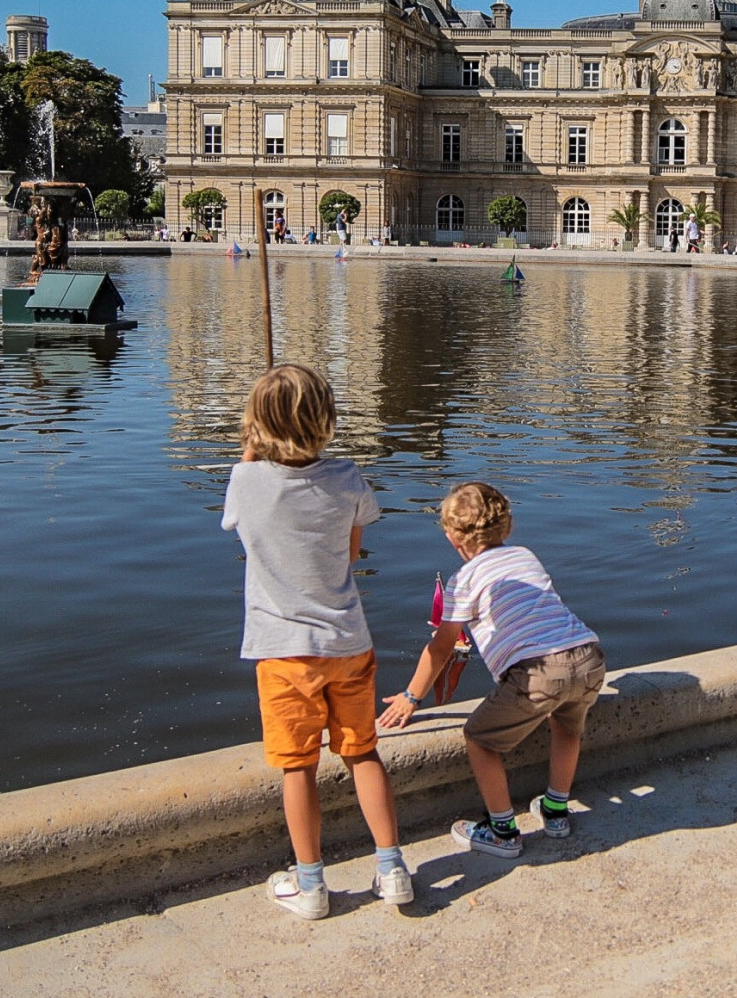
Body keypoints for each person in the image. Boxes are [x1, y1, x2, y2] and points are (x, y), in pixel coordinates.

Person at [221, 364, 412, 919]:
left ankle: (311, 885)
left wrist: (253, 445)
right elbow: (352, 553)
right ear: (326, 418)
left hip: (284, 652)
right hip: (348, 641)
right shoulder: (349, 476)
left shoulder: (245, 480)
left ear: (257, 424)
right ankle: (392, 866)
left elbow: (241, 513)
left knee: (298, 766)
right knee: (363, 752)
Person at [380, 482, 605, 858]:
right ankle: (555, 811)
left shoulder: (463, 580)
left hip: (537, 670)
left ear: (452, 537)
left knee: (480, 740)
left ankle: (502, 831)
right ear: (508, 528)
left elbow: (442, 646)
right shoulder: (525, 556)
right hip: (588, 655)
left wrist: (411, 697)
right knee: (567, 727)